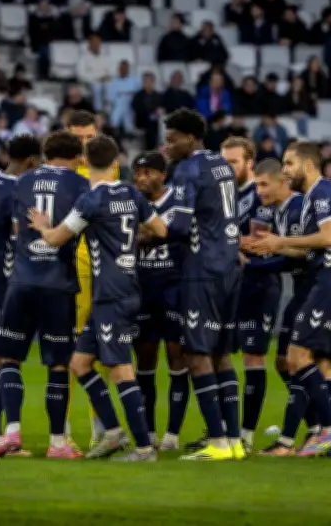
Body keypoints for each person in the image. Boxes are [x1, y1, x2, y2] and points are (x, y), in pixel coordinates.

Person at [29, 135, 168, 462]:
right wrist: (129, 236)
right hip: (126, 285)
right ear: (116, 162)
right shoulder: (131, 193)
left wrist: (42, 226)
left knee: (120, 369)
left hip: (110, 293)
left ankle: (144, 449)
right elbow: (161, 230)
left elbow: (55, 239)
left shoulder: (91, 201)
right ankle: (114, 432)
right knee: (80, 363)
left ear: (83, 163)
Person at [0, 131, 88, 459]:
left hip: (22, 280)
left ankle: (11, 431)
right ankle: (58, 442)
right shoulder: (79, 185)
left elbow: (13, 227)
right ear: (76, 156)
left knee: (9, 358)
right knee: (58, 364)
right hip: (58, 283)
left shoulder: (23, 182)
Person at [247, 141, 331, 457]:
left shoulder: (320, 193)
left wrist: (279, 243)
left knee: (298, 360)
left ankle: (325, 432)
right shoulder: (315, 196)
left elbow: (327, 238)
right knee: (309, 362)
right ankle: (322, 435)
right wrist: (273, 248)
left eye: (289, 164)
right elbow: (308, 249)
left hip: (329, 280)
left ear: (307, 164)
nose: (286, 170)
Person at [163, 109, 245, 461]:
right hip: (228, 266)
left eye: (173, 139)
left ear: (192, 138)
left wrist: (143, 233)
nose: (168, 146)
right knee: (221, 355)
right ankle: (235, 440)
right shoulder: (222, 165)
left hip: (202, 270)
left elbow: (179, 227)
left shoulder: (188, 169)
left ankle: (217, 441)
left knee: (196, 355)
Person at [240, 158, 313, 456]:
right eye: (256, 185)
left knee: (301, 364)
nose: (258, 191)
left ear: (282, 181)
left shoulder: (297, 208)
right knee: (285, 363)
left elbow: (302, 254)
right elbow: (288, 256)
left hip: (313, 293)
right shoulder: (282, 211)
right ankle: (317, 431)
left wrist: (256, 263)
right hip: (300, 293)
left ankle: (300, 438)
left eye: (263, 184)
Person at [223, 138, 282, 454]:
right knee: (219, 355)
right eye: (225, 162)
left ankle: (245, 434)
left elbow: (259, 243)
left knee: (253, 357)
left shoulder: (258, 196)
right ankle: (225, 431)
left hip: (259, 283)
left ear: (249, 162)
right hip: (232, 284)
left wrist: (228, 241)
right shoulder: (229, 195)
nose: (228, 168)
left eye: (233, 162)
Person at [66, 110, 120, 447]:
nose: (84, 144)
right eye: (78, 138)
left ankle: (100, 425)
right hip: (73, 268)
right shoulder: (63, 171)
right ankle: (65, 430)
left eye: (89, 137)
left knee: (101, 349)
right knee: (70, 348)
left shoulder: (110, 169)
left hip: (106, 268)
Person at [131, 151, 190, 451]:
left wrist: (144, 233)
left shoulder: (178, 201)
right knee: (144, 359)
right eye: (137, 172)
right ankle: (150, 432)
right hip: (142, 289)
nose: (141, 177)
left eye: (148, 172)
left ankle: (173, 434)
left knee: (177, 356)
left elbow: (177, 231)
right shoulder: (130, 202)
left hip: (174, 288)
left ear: (162, 175)